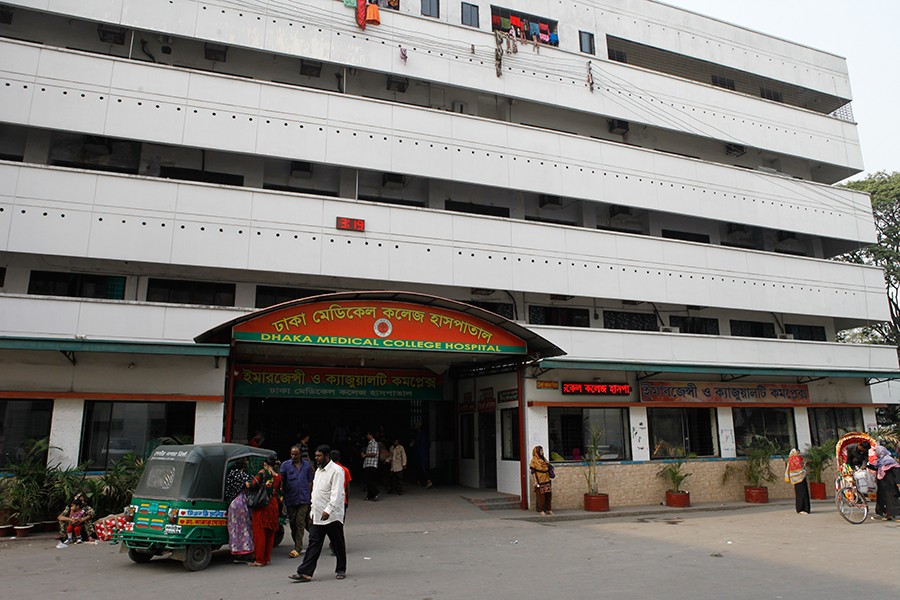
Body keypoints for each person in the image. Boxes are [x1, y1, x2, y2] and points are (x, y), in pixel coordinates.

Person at [289, 445, 347, 583]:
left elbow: (337, 493)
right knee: (313, 543)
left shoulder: (337, 471)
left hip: (332, 515)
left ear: (327, 456)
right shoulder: (318, 471)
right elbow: (316, 492)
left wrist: (328, 510)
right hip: (318, 514)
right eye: (315, 456)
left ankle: (341, 569)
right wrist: (313, 512)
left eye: (319, 456)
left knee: (337, 543)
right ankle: (305, 572)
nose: (316, 458)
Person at [247, 454, 281, 566]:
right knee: (270, 532)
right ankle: (266, 558)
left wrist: (246, 483)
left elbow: (252, 486)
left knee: (259, 532)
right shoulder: (278, 476)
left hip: (263, 505)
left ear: (265, 464)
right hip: (273, 504)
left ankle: (260, 560)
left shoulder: (263, 473)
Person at [280, 444, 314, 558]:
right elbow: (281, 481)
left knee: (300, 522)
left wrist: (310, 496)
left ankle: (298, 548)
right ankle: (306, 540)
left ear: (300, 455)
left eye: (296, 454)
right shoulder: (285, 466)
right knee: (293, 523)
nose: (293, 456)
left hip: (304, 498)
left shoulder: (307, 466)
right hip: (291, 498)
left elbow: (310, 481)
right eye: (292, 454)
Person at [225, 457, 254, 563]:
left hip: (232, 504)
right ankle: (246, 551)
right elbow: (250, 486)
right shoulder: (243, 476)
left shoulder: (230, 475)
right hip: (241, 504)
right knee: (244, 527)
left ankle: (236, 551)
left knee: (234, 529)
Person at [868, 443, 900, 521]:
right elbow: (877, 468)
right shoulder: (880, 461)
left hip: (890, 483)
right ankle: (888, 515)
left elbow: (897, 471)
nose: (876, 453)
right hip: (882, 483)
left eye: (877, 451)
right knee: (884, 498)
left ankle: (897, 515)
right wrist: (868, 465)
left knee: (892, 498)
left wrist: (898, 481)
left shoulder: (889, 460)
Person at [329, 449, 351, 557]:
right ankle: (336, 547)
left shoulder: (327, 470)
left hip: (329, 502)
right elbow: (347, 487)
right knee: (339, 525)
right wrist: (347, 500)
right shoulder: (344, 470)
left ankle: (334, 545)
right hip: (342, 501)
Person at [530, 445, 553, 517]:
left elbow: (549, 467)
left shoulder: (544, 460)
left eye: (542, 451)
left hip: (547, 479)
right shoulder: (534, 461)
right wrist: (535, 481)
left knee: (548, 495)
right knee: (541, 496)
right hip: (540, 480)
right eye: (540, 451)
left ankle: (549, 509)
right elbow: (533, 472)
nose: (542, 452)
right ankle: (541, 510)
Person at [785, 448, 810, 514]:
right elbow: (799, 469)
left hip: (800, 479)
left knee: (802, 494)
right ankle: (802, 509)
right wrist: (804, 470)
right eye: (798, 453)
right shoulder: (795, 460)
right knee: (801, 494)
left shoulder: (796, 459)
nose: (799, 454)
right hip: (799, 478)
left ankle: (803, 509)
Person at [411, 423, 433, 488]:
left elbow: (416, 443)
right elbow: (429, 444)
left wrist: (413, 444)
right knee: (423, 466)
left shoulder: (418, 434)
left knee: (421, 466)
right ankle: (421, 480)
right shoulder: (425, 434)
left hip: (420, 453)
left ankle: (428, 481)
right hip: (425, 453)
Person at [361, 431, 380, 501]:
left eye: (367, 435)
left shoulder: (374, 443)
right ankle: (370, 495)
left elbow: (374, 453)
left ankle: (375, 492)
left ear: (371, 435)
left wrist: (365, 455)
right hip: (367, 463)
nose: (367, 436)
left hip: (372, 464)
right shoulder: (369, 444)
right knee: (367, 480)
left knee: (368, 480)